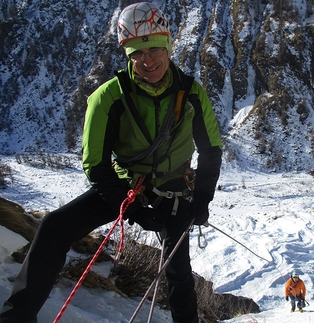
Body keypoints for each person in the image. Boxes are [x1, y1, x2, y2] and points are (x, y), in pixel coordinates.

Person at [0, 2, 222, 323]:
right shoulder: (107, 97)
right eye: (137, 53)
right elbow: (97, 165)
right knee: (54, 228)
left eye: (155, 50)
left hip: (174, 191)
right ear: (127, 54)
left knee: (177, 271)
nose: (148, 61)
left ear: (169, 46)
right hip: (126, 188)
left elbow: (211, 149)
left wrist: (201, 200)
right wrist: (131, 209)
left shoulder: (192, 94)